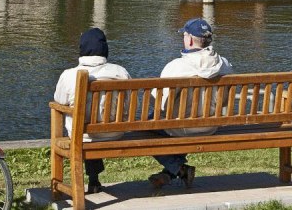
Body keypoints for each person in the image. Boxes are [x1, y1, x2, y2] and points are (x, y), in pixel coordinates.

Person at [150, 17, 232, 191]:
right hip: (211, 126)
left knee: (144, 126)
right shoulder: (225, 65)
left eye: (184, 36)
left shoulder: (176, 67)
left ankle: (177, 168)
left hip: (180, 127)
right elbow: (225, 100)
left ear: (189, 39)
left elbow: (160, 104)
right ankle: (174, 170)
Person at [53, 27, 131, 195]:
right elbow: (128, 105)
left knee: (85, 129)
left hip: (82, 134)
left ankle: (90, 181)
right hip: (114, 133)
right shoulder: (120, 72)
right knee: (91, 126)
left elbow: (59, 102)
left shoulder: (69, 75)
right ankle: (94, 180)